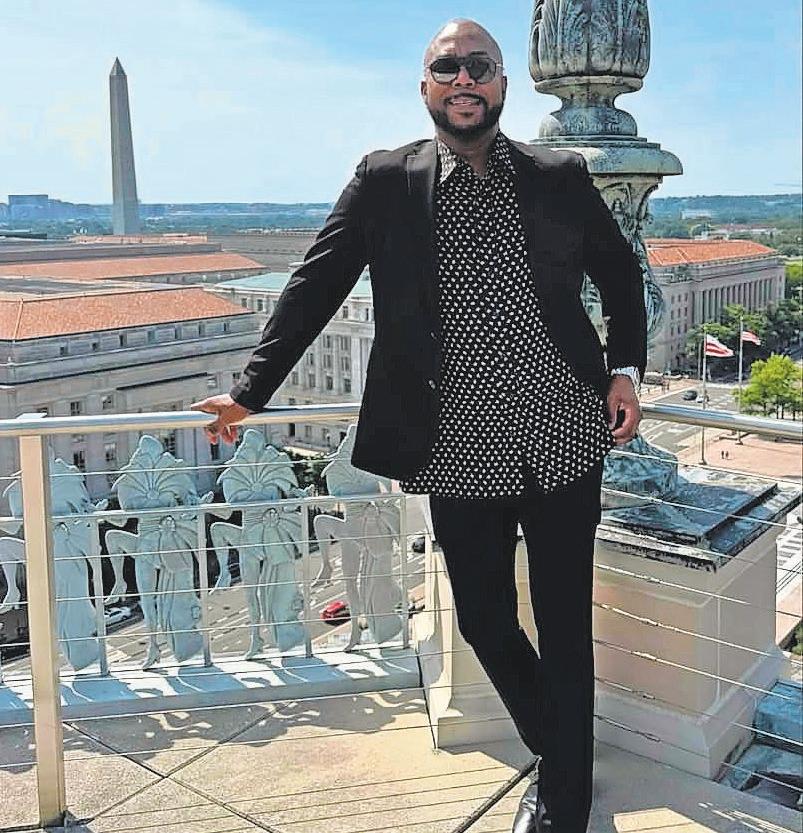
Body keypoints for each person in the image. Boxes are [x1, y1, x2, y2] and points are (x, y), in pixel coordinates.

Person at [192, 18, 645, 833]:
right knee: (483, 619)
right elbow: (314, 285)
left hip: (562, 431)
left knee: (564, 624)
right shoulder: (384, 180)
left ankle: (565, 802)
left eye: (479, 66)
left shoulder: (558, 174)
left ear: (501, 84)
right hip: (456, 443)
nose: (463, 79)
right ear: (425, 85)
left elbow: (618, 273)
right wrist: (251, 391)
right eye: (447, 67)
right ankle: (559, 749)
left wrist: (625, 369)